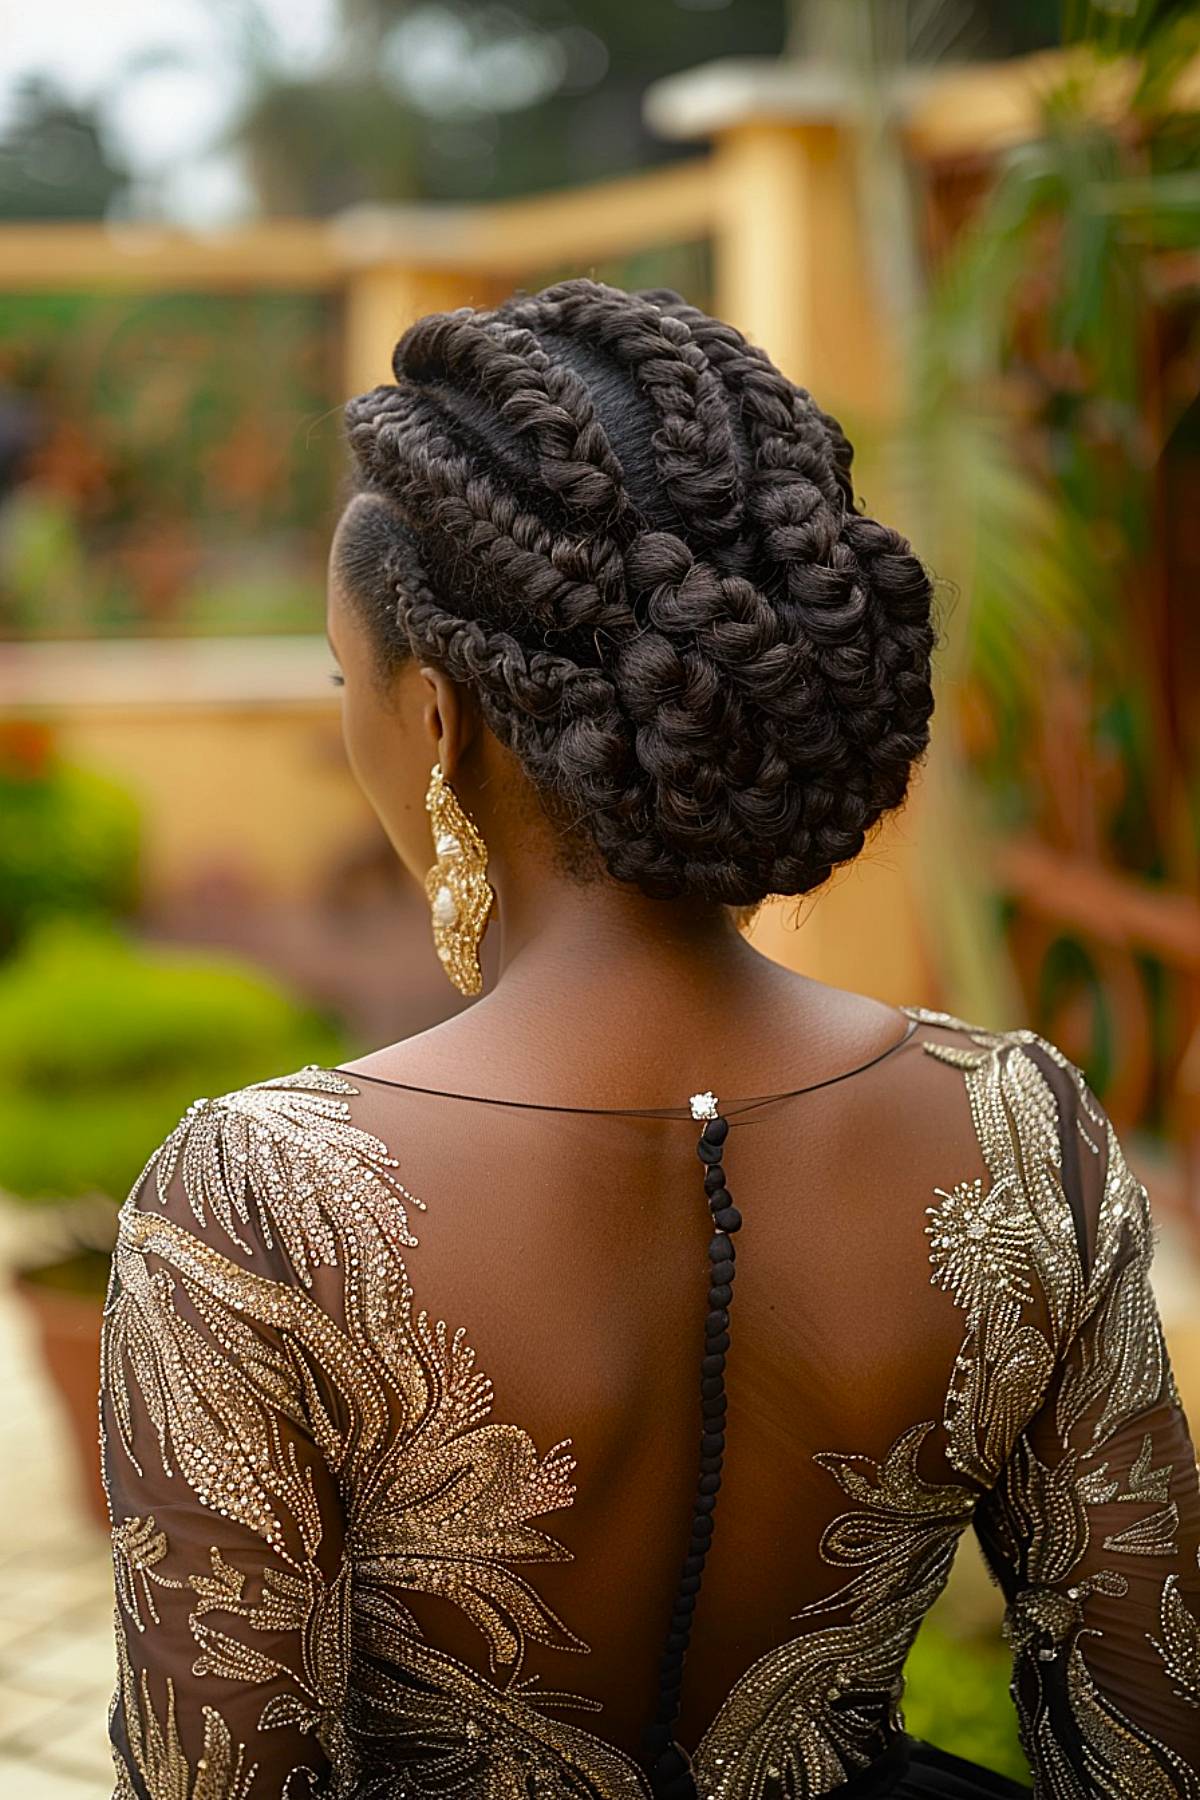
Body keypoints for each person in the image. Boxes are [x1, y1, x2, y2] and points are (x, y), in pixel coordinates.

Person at [99, 280, 1200, 1800]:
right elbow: (1151, 1735)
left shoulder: (258, 1202)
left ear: (435, 721)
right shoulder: (1021, 1131)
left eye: (344, 683)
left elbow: (214, 1776)